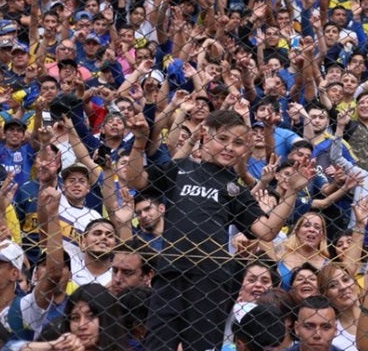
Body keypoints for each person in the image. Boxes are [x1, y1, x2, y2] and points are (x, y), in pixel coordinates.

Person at [126, 109, 309, 351]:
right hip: (171, 273)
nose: (229, 147)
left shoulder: (234, 188)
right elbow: (135, 180)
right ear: (205, 135)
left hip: (211, 280)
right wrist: (139, 143)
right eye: (222, 138)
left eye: (238, 143)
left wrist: (293, 191)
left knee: (201, 346)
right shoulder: (180, 168)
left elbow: (265, 231)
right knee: (158, 344)